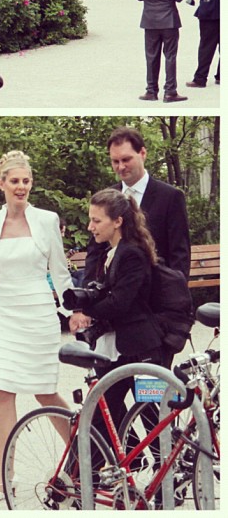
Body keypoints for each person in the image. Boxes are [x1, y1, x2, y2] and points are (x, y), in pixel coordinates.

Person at [0, 151, 74, 503]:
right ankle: (4, 476)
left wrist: (72, 311)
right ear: (1, 184)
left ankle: (87, 452)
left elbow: (59, 270)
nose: (21, 187)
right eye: (14, 181)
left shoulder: (47, 219)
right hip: (4, 313)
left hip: (38, 311)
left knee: (44, 391)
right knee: (2, 390)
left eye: (26, 181)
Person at [80, 126, 190, 367]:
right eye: (115, 161)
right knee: (108, 390)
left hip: (154, 315)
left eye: (126, 159)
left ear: (143, 153)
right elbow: (94, 254)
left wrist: (172, 308)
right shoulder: (107, 197)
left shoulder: (169, 196)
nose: (120, 167)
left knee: (150, 395)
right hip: (116, 312)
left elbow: (179, 255)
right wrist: (86, 298)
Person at [70, 189, 163, 444]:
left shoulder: (131, 253)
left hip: (141, 348)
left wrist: (87, 312)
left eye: (97, 221)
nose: (90, 227)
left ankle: (164, 478)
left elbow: (120, 303)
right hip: (118, 349)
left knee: (153, 417)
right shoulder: (111, 251)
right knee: (101, 414)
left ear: (118, 221)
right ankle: (88, 475)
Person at [135, 0, 187, 102]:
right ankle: (170, 91)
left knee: (151, 56)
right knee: (170, 55)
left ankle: (151, 90)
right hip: (169, 20)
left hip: (150, 19)